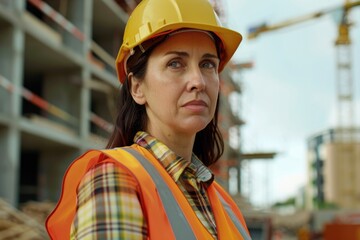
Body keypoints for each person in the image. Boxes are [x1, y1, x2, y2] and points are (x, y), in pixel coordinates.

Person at [46, 0, 251, 239]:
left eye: (207, 64)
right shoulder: (117, 180)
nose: (198, 81)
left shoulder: (224, 204)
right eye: (175, 63)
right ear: (137, 88)